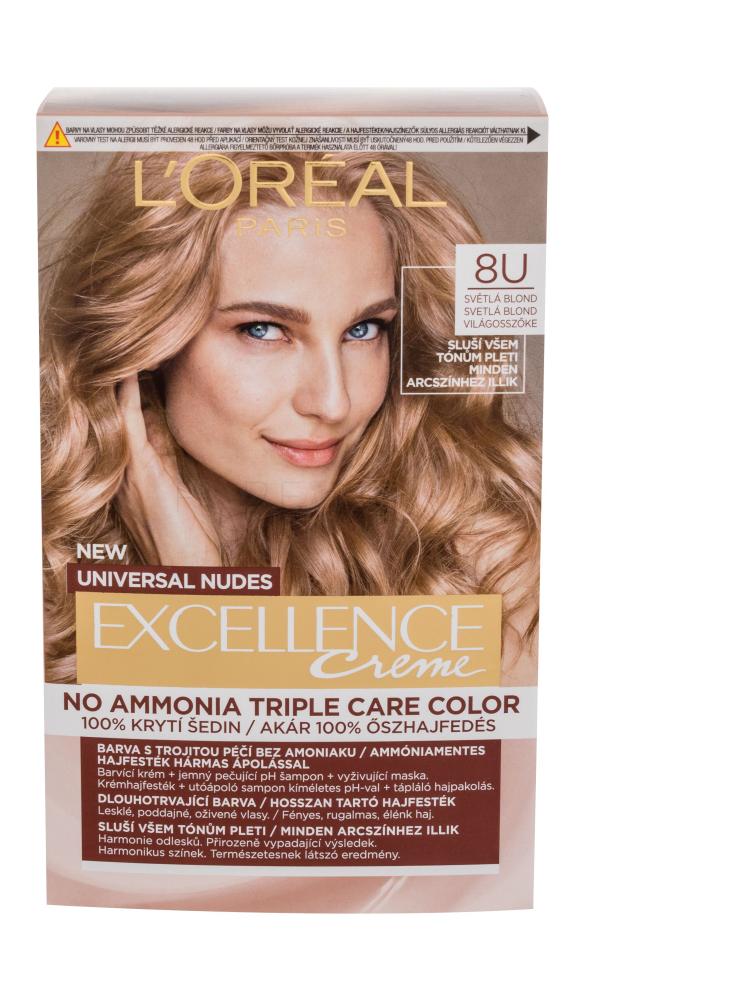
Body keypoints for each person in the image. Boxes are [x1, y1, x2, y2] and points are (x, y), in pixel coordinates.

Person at [40, 152, 540, 683]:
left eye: (364, 329)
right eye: (262, 330)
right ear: (149, 344)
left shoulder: (482, 556)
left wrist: (200, 598)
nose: (334, 403)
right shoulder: (44, 562)